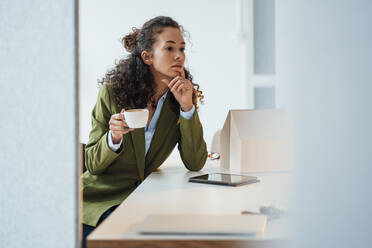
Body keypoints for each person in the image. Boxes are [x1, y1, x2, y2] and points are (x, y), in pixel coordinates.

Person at [81, 16, 208, 247]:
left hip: (145, 200)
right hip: (102, 200)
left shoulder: (177, 102)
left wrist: (187, 108)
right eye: (169, 48)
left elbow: (195, 162)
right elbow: (92, 163)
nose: (179, 55)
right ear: (147, 57)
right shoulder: (111, 94)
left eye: (181, 48)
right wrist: (114, 137)